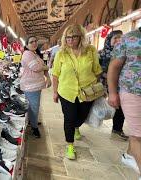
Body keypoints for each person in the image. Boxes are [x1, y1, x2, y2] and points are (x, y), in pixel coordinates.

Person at [52, 24, 102, 160]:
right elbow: (55, 74)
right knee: (69, 118)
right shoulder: (61, 53)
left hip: (86, 92)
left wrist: (94, 88)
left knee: (82, 116)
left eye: (74, 37)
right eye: (67, 37)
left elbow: (97, 71)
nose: (70, 40)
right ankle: (70, 145)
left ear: (81, 37)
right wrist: (55, 92)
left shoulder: (91, 50)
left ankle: (76, 127)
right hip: (66, 91)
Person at [107, 29, 141, 178]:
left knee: (136, 132)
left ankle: (129, 156)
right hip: (132, 91)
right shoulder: (129, 38)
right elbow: (113, 67)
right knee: (138, 135)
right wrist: (112, 92)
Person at [99, 30, 128, 141]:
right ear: (109, 40)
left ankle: (117, 129)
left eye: (120, 38)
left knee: (120, 107)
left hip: (120, 85)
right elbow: (96, 69)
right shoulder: (101, 53)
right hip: (102, 84)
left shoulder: (124, 53)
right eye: (115, 38)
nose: (118, 40)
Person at [20, 36, 51, 138]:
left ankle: (32, 122)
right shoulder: (27, 54)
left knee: (34, 106)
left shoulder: (35, 54)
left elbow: (42, 68)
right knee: (34, 106)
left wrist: (48, 77)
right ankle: (34, 128)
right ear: (26, 45)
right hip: (30, 86)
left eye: (35, 41)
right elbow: (36, 67)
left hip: (36, 85)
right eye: (31, 42)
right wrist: (46, 67)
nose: (34, 43)